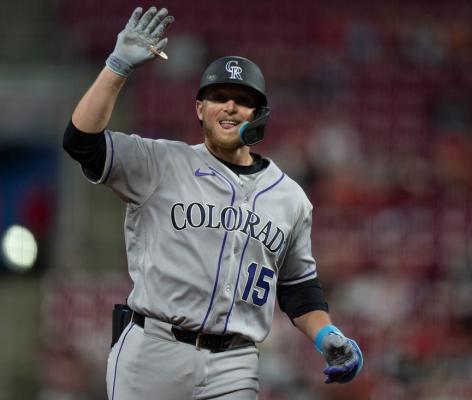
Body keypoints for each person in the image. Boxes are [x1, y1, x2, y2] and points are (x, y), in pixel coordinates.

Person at [62, 6, 363, 400]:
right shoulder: (160, 162)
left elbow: (298, 288)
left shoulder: (290, 198)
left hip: (234, 364)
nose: (230, 106)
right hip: (153, 350)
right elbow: (81, 142)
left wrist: (326, 334)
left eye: (243, 99)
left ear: (259, 115)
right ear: (200, 109)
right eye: (218, 97)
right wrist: (116, 67)